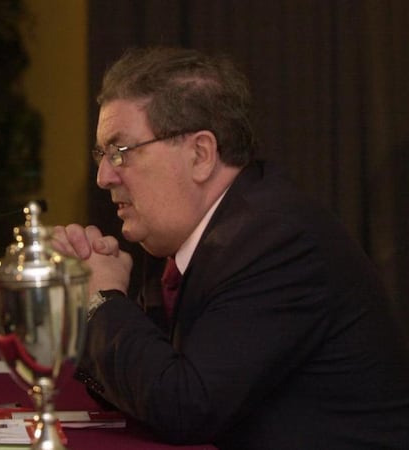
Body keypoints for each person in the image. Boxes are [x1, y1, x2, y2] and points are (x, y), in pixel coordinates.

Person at [53, 46, 409, 449]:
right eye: (101, 154)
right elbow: (152, 386)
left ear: (201, 155)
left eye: (120, 152)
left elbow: (184, 408)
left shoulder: (278, 242)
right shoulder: (197, 235)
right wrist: (96, 301)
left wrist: (104, 299)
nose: (103, 176)